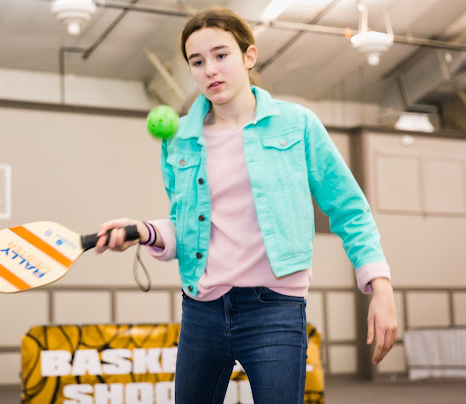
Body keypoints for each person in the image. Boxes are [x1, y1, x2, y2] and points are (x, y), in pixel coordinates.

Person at [96, 7, 397, 404]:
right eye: (197, 61)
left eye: (221, 55)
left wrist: (381, 287)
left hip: (274, 309)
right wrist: (143, 231)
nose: (210, 70)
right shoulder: (180, 139)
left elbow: (349, 208)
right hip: (201, 309)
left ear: (248, 56)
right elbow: (186, 226)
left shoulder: (298, 125)